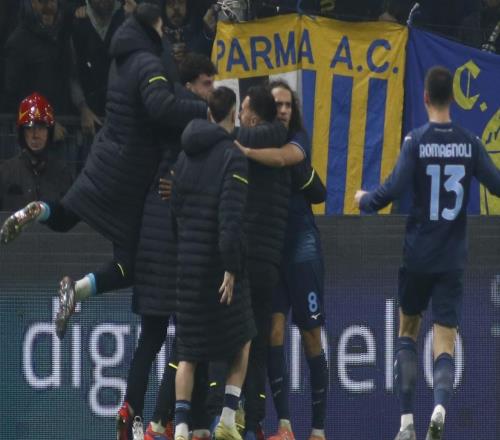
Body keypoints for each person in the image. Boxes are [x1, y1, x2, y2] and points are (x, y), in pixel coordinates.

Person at [0, 2, 207, 340]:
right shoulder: (149, 63)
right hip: (129, 174)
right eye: (161, 29)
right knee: (129, 263)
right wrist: (202, 110)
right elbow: (160, 107)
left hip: (103, 160)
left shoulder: (119, 61)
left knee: (64, 217)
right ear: (153, 28)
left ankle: (39, 211)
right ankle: (79, 288)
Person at [354, 66, 500, 440]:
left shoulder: (416, 141)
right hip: (452, 259)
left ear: (424, 98)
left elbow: (392, 189)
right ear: (452, 98)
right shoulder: (470, 143)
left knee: (407, 333)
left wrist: (365, 200)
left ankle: (406, 423)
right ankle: (440, 408)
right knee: (445, 340)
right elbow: (498, 185)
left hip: (418, 255)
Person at [116, 53, 217, 440]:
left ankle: (132, 411)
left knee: (152, 338)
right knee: (190, 336)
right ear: (190, 85)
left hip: (152, 239)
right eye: (207, 83)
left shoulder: (162, 117)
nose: (212, 90)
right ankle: (171, 418)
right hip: (176, 243)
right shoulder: (193, 120)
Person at [236, 79, 328, 440]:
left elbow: (283, 159)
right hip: (271, 249)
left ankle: (318, 431)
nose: (285, 110)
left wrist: (244, 150)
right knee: (273, 334)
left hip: (302, 243)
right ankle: (285, 426)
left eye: (289, 104)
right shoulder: (255, 137)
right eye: (278, 105)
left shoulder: (296, 139)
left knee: (311, 335)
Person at [171, 86, 256, 440]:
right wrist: (231, 267)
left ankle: (180, 428)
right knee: (243, 338)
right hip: (218, 268)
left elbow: (175, 209)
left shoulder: (184, 156)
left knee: (188, 352)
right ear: (234, 115)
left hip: (187, 266)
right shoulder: (232, 157)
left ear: (208, 113)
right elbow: (230, 220)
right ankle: (227, 419)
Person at [237, 86, 290, 440]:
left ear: (254, 117)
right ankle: (254, 420)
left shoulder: (244, 144)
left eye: (243, 110)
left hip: (244, 258)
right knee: (256, 344)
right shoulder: (285, 149)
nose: (240, 115)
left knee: (233, 339)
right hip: (269, 260)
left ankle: (226, 415)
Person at [0, 92, 73, 210]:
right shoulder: (5, 172)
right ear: (22, 133)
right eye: (29, 128)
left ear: (49, 132)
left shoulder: (62, 174)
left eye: (41, 128)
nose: (35, 135)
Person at [72, 0, 125, 119]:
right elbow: (73, 72)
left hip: (123, 111)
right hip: (90, 113)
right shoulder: (78, 23)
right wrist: (83, 107)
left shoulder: (127, 19)